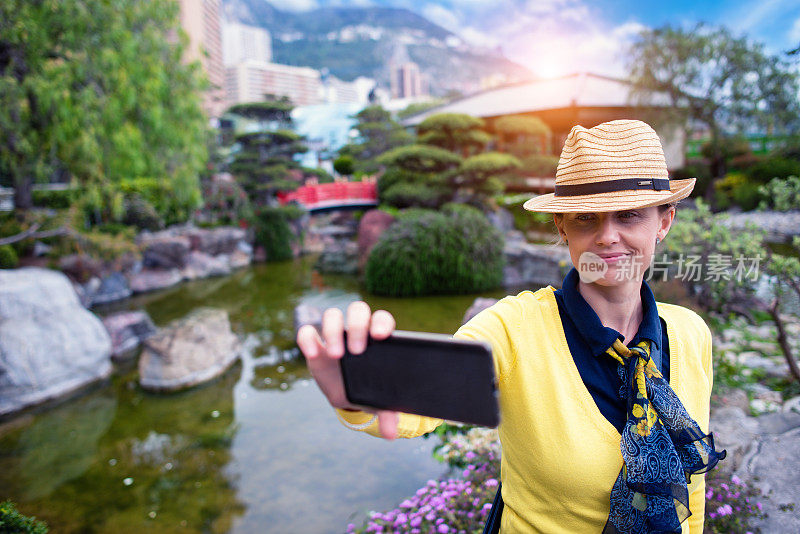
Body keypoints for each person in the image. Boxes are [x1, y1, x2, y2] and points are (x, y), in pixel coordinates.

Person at [296, 119, 725, 533]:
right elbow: (426, 399)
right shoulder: (514, 328)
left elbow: (694, 484)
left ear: (664, 221)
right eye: (585, 218)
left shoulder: (689, 333)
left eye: (629, 215)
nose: (607, 236)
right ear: (562, 228)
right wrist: (365, 386)